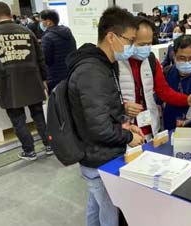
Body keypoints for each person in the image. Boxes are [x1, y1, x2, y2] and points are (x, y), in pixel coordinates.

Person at [66, 6, 145, 226]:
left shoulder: (103, 65)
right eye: (129, 40)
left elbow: (102, 110)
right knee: (111, 213)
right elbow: (99, 127)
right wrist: (129, 137)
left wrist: (125, 125)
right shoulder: (92, 71)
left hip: (98, 154)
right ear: (111, 36)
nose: (131, 46)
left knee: (96, 204)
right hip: (98, 157)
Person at [0, 2, 52, 160]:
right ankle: (49, 145)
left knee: (18, 119)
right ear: (10, 13)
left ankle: (29, 151)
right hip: (33, 79)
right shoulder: (26, 31)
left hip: (8, 82)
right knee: (38, 115)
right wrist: (44, 78)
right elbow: (40, 58)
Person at [119, 17, 191, 140]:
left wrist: (187, 99)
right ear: (129, 40)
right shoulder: (117, 62)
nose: (146, 48)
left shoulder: (151, 61)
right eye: (141, 44)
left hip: (150, 127)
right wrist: (123, 106)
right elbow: (104, 99)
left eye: (149, 44)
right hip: (125, 129)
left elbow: (164, 91)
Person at [40, 10, 77, 92]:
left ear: (48, 22)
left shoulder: (47, 38)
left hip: (54, 77)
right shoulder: (68, 32)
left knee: (57, 102)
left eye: (42, 21)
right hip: (70, 74)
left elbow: (46, 59)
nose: (41, 23)